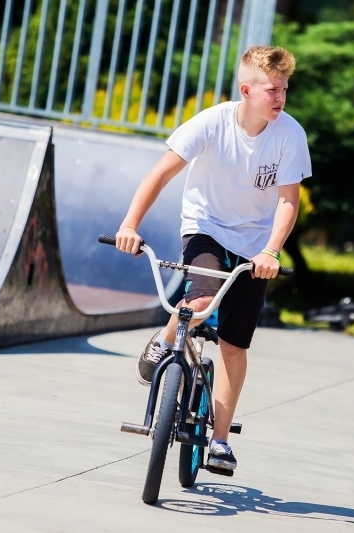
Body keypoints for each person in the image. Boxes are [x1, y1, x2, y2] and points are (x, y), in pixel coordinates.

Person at [115, 44, 312, 472]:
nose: (280, 98)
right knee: (200, 303)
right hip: (205, 227)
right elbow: (161, 173)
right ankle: (165, 341)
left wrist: (271, 251)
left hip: (255, 248)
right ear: (247, 89)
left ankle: (219, 442)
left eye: (285, 90)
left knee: (234, 346)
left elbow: (287, 203)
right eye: (271, 90)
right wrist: (129, 225)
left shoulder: (290, 135)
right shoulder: (212, 122)